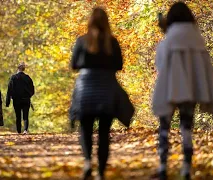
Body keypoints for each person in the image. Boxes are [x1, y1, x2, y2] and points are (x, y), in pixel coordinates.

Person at [152, 2, 213, 180]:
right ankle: (187, 169)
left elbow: (160, 62)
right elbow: (204, 67)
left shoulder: (169, 38)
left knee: (164, 128)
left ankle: (163, 168)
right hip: (190, 90)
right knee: (187, 128)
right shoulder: (197, 39)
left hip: (169, 88)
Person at [69, 7, 129, 180]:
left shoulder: (82, 41)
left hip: (86, 88)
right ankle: (101, 172)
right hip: (107, 88)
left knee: (85, 129)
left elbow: (74, 65)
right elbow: (119, 65)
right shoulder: (112, 42)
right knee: (104, 132)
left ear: (90, 22)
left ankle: (88, 161)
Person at [6, 62, 34, 135]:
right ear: (24, 69)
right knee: (26, 115)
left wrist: (8, 101)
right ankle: (25, 130)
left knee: (18, 116)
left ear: (18, 68)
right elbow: (32, 89)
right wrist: (29, 95)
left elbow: (9, 89)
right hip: (26, 99)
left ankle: (18, 131)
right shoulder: (28, 78)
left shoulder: (13, 77)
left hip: (16, 100)